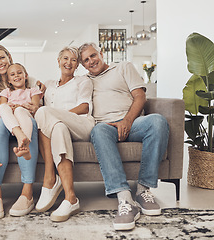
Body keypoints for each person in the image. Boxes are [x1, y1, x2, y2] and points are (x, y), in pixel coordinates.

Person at [78, 42, 169, 231]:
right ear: (83, 65)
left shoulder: (123, 67)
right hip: (106, 126)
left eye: (93, 55)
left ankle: (143, 190)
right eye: (86, 60)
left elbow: (140, 96)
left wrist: (127, 121)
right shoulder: (83, 81)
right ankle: (124, 199)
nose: (91, 61)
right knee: (98, 131)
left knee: (158, 121)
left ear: (101, 54)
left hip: (133, 122)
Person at [34, 46, 95, 222]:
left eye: (73, 60)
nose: (69, 63)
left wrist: (59, 114)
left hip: (81, 124)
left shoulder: (83, 81)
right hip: (60, 127)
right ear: (58, 61)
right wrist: (38, 91)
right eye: (65, 58)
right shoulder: (50, 84)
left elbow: (84, 107)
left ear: (77, 66)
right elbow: (37, 102)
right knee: (58, 126)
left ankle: (49, 177)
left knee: (46, 113)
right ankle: (71, 198)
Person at [0, 44, 44, 218]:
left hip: (25, 118)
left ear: (9, 56)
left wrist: (22, 106)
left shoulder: (30, 81)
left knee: (28, 120)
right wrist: (6, 108)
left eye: (2, 57)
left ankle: (27, 192)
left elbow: (37, 105)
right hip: (3, 122)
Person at [0, 63, 42, 160]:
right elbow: (1, 108)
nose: (16, 75)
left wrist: (20, 106)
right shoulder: (6, 92)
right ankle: (19, 134)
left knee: (19, 110)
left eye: (19, 73)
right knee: (3, 107)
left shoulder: (33, 91)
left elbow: (34, 107)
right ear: (8, 80)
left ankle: (25, 147)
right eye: (12, 74)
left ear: (26, 76)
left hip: (25, 114)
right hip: (11, 118)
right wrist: (9, 105)